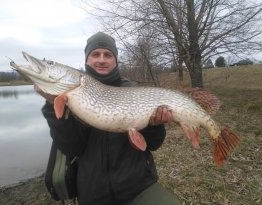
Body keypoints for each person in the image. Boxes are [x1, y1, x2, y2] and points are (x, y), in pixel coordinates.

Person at [35, 32, 181, 205]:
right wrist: (53, 107)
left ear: (115, 60)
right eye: (95, 54)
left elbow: (154, 144)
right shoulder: (70, 98)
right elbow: (72, 147)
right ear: (86, 60)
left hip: (139, 187)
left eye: (108, 55)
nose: (102, 60)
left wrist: (154, 125)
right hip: (93, 195)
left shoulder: (133, 90)